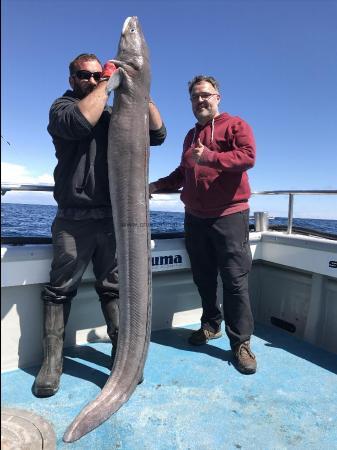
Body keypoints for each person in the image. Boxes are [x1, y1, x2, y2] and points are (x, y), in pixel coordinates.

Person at [33, 53, 166, 397]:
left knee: (114, 288)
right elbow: (79, 123)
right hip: (73, 219)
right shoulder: (62, 109)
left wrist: (141, 89)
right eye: (85, 75)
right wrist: (108, 81)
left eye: (97, 76)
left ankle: (123, 360)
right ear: (72, 78)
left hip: (112, 219)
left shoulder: (112, 115)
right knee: (60, 290)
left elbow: (157, 133)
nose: (92, 80)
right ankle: (52, 364)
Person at [150, 75, 257, 374]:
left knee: (235, 282)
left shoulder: (236, 125)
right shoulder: (189, 136)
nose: (201, 100)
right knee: (204, 277)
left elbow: (248, 157)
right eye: (195, 97)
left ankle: (241, 343)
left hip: (229, 216)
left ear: (218, 96)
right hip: (195, 219)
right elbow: (183, 172)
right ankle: (211, 325)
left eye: (206, 95)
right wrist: (156, 186)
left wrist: (210, 156)